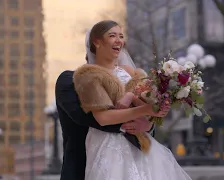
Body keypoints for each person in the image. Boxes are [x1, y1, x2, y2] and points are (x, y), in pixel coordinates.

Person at [73, 20, 192, 180]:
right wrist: (145, 110)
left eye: (121, 36)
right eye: (112, 35)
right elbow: (102, 118)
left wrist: (151, 115)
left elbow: (151, 109)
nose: (119, 40)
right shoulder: (88, 75)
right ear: (97, 41)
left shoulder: (131, 72)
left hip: (140, 145)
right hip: (109, 146)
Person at [55, 40, 157, 180]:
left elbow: (148, 116)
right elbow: (86, 117)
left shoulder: (131, 81)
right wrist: (139, 116)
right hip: (84, 168)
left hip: (135, 165)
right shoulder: (69, 80)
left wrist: (149, 124)